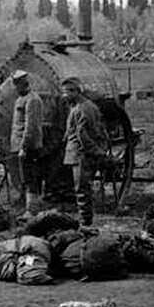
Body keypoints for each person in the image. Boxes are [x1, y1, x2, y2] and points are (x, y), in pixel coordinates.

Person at [61, 77, 110, 227]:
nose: (64, 96)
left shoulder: (82, 108)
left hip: (81, 155)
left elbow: (84, 136)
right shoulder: (81, 106)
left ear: (75, 91)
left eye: (66, 92)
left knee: (82, 191)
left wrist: (97, 152)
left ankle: (86, 225)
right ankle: (86, 223)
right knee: (83, 190)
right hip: (81, 153)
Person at [9, 70, 44, 219]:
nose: (15, 88)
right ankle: (28, 208)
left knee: (30, 178)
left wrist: (24, 147)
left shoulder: (33, 100)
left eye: (17, 85)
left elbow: (31, 126)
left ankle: (32, 210)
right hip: (19, 146)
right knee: (25, 177)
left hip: (29, 146)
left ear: (23, 84)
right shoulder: (21, 99)